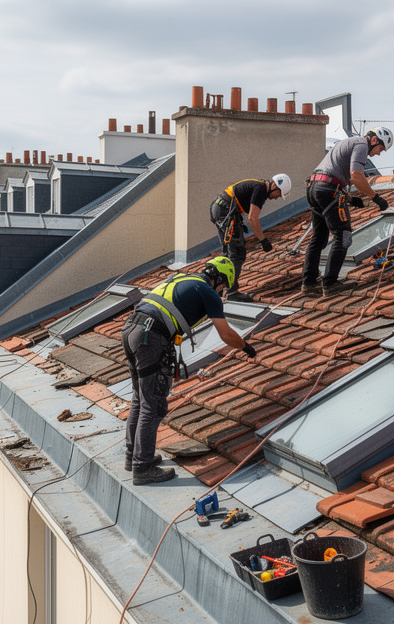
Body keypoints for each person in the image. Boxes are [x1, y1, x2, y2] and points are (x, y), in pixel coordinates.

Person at [123, 256, 256, 485]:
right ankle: (142, 467)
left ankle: (133, 457)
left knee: (140, 400)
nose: (223, 290)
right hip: (150, 337)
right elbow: (225, 334)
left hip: (131, 329)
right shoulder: (208, 292)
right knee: (153, 404)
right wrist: (246, 347)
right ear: (220, 279)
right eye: (224, 285)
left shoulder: (183, 278)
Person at [301, 127, 394, 293]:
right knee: (343, 236)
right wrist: (375, 197)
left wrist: (351, 199)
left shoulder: (347, 142)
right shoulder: (361, 145)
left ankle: (309, 283)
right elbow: (356, 176)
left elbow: (334, 171)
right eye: (380, 149)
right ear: (374, 140)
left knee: (319, 238)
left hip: (314, 188)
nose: (379, 154)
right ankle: (330, 283)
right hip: (328, 189)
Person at [209, 174, 291, 301]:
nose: (277, 198)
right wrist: (263, 240)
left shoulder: (259, 186)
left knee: (227, 253)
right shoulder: (261, 189)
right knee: (237, 254)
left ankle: (214, 285)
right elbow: (252, 218)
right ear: (275, 185)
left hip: (219, 208)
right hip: (225, 210)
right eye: (279, 194)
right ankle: (231, 292)